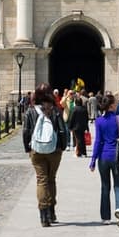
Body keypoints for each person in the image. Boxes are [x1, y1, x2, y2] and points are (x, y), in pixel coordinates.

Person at [23, 83, 68, 227]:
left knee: (41, 180)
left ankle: (43, 215)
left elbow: (25, 131)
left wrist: (27, 149)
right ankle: (51, 211)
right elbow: (62, 130)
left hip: (36, 149)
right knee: (51, 179)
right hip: (54, 149)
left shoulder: (30, 111)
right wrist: (63, 146)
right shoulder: (54, 110)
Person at [89, 93, 119, 228]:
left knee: (104, 186)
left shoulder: (99, 121)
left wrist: (93, 160)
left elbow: (98, 142)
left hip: (103, 158)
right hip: (116, 157)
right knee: (118, 185)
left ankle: (105, 217)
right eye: (116, 103)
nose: (117, 104)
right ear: (112, 105)